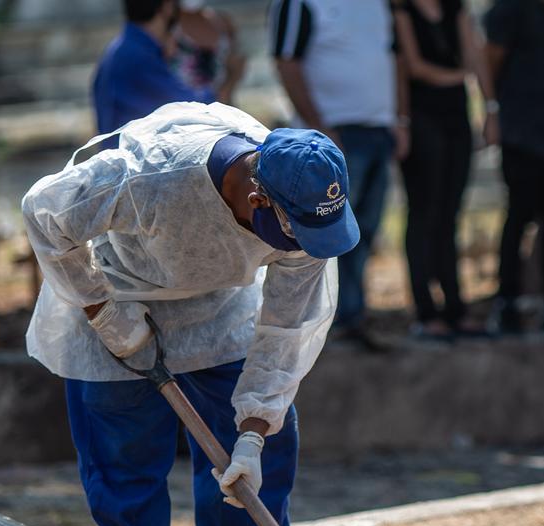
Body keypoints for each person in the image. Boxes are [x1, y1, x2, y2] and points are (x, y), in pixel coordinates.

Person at [21, 102, 355, 526]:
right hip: (116, 298)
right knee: (126, 478)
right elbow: (44, 212)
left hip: (218, 312)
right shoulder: (144, 179)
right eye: (295, 231)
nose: (304, 245)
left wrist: (252, 434)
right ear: (256, 201)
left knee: (262, 460)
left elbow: (284, 332)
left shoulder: (303, 213)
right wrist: (99, 306)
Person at [270, 0, 408, 350]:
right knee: (321, 232)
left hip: (378, 130)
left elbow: (393, 57)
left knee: (364, 232)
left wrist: (400, 119)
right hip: (330, 139)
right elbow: (286, 61)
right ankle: (315, 327)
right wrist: (319, 126)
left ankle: (351, 316)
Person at [393, 0, 495, 340]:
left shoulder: (455, 8)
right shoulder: (401, 10)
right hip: (421, 119)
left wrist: (490, 107)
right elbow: (414, 67)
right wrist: (460, 75)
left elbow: (473, 54)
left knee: (450, 214)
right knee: (423, 213)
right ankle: (425, 311)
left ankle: (455, 308)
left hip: (456, 117)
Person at [484, 0, 544, 332]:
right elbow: (490, 59)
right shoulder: (509, 10)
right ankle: (506, 303)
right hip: (521, 132)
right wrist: (492, 109)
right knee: (519, 217)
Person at [93, 0, 213, 135]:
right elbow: (195, 110)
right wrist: (228, 81)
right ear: (167, 6)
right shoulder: (136, 55)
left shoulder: (126, 48)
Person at [172, 0, 246, 105]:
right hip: (180, 111)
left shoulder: (223, 23)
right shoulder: (166, 28)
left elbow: (236, 65)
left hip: (221, 110)